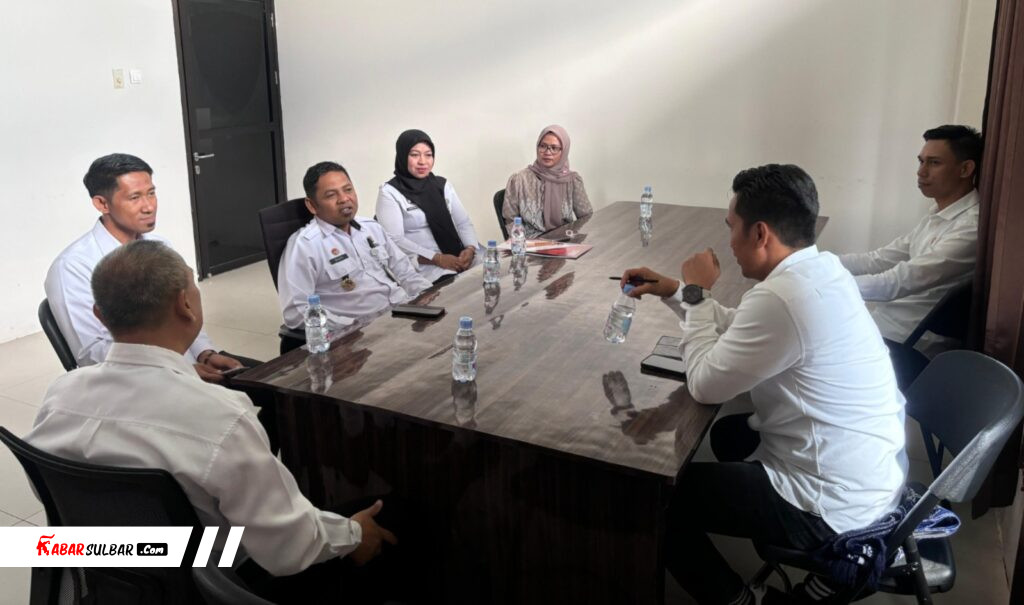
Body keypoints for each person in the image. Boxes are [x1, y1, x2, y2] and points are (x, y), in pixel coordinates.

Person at [27, 240, 402, 600]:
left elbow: (51, 485)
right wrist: (355, 533)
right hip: (216, 584)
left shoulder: (60, 395)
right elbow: (288, 550)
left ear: (99, 314)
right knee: (394, 518)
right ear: (185, 304)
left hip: (114, 574)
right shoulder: (222, 417)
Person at [622, 164, 906, 604]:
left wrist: (697, 293)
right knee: (727, 434)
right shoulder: (821, 271)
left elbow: (704, 384)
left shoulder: (783, 297)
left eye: (730, 228)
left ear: (759, 233)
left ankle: (738, 599)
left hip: (830, 503)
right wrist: (676, 290)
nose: (728, 243)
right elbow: (741, 326)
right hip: (871, 473)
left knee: (652, 500)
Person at [44, 153, 243, 382]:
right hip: (136, 383)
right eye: (135, 197)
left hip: (189, 368)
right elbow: (91, 353)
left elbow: (183, 314)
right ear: (102, 204)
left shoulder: (160, 246)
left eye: (151, 193)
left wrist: (205, 353)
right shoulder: (72, 267)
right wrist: (180, 371)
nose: (149, 207)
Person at [840, 125, 982, 358]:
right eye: (921, 161)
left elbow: (897, 282)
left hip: (911, 344)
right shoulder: (936, 215)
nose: (921, 172)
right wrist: (817, 260)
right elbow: (878, 260)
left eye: (934, 163)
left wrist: (828, 283)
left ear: (965, 169)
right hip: (884, 328)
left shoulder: (971, 227)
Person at [278, 161, 433, 331]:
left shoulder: (371, 227)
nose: (344, 199)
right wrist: (351, 327)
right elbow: (296, 313)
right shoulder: (305, 246)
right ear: (312, 205)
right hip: (360, 332)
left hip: (401, 314)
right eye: (331, 195)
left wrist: (429, 295)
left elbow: (405, 271)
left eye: (348, 189)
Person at [375, 129, 481, 283]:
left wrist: (470, 249)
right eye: (414, 155)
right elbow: (394, 240)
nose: (422, 161)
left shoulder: (442, 185)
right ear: (402, 156)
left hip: (458, 255)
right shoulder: (389, 192)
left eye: (428, 155)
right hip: (423, 264)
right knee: (456, 287)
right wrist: (437, 258)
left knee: (495, 270)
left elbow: (463, 222)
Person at [502, 124, 592, 238]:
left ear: (564, 151)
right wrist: (522, 243)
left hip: (565, 240)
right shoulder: (519, 180)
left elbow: (586, 218)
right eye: (543, 146)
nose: (547, 152)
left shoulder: (572, 181)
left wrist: (576, 239)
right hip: (531, 243)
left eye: (554, 148)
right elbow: (510, 220)